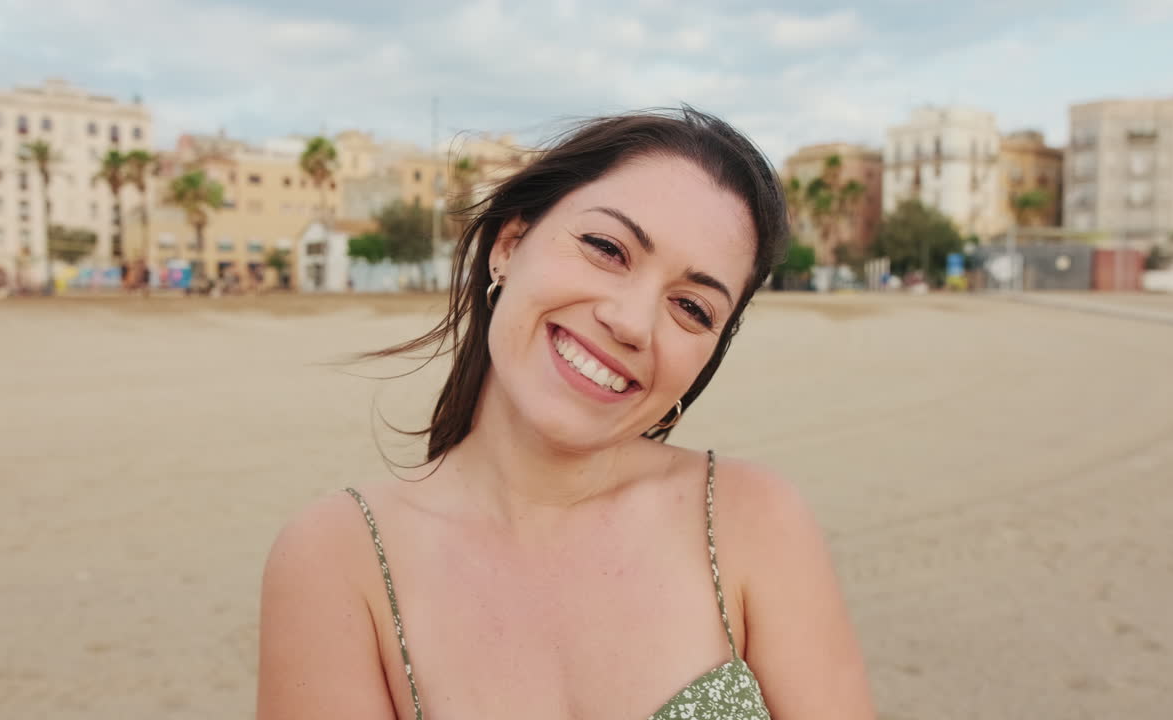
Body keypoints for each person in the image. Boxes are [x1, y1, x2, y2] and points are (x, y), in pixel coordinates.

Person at [258, 108, 874, 720]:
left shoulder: (755, 522)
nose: (631, 322)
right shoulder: (341, 559)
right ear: (510, 244)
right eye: (607, 248)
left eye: (691, 306)